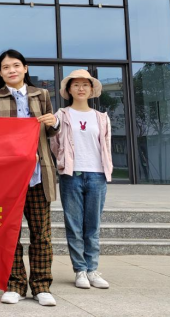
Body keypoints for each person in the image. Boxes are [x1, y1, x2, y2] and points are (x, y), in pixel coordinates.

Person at [0, 50, 60, 307]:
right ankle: (15, 284)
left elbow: (50, 131)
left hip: (39, 175)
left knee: (42, 234)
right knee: (11, 234)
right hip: (10, 178)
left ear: (25, 68)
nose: (11, 70)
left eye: (16, 65)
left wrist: (53, 122)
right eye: (6, 67)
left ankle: (41, 285)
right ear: (0, 72)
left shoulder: (42, 94)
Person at [51, 70, 112, 290]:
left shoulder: (101, 117)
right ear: (69, 90)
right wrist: (63, 162)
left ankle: (92, 269)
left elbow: (106, 146)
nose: (80, 88)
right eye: (75, 85)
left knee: (92, 226)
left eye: (85, 84)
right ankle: (80, 270)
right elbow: (54, 143)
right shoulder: (61, 115)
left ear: (91, 89)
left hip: (97, 175)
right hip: (71, 174)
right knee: (74, 225)